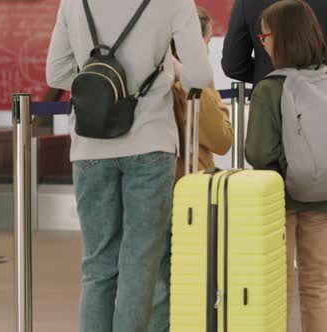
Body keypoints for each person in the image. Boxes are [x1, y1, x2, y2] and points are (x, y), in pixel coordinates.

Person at [45, 0, 213, 331]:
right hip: (150, 142)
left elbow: (56, 71)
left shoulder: (73, 2)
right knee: (140, 263)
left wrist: (105, 88)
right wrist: (165, 73)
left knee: (97, 266)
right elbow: (199, 76)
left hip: (90, 145)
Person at [222, 1, 327, 329]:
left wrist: (266, 70)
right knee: (322, 273)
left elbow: (232, 63)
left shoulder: (250, 6)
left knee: (275, 268)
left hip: (277, 161)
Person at [149, 7, 234, 331]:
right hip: (187, 191)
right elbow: (222, 138)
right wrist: (204, 85)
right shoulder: (191, 82)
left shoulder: (148, 72)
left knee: (155, 283)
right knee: (181, 284)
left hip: (147, 184)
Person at [171, 7, 234, 181]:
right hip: (189, 186)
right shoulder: (193, 88)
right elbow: (223, 140)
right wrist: (209, 85)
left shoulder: (157, 80)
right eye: (206, 43)